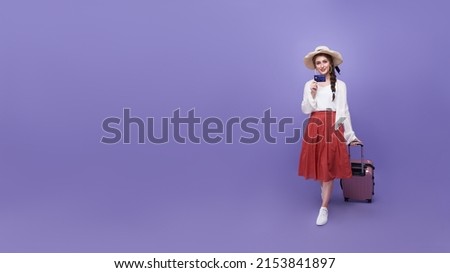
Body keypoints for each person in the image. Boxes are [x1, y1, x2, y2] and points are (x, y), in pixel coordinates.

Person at [298, 46, 362, 226]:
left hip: (333, 126)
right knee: (320, 166)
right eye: (318, 63)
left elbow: (344, 111)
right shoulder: (309, 84)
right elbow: (305, 110)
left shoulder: (340, 86)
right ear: (314, 66)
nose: (321, 65)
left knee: (328, 169)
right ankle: (324, 193)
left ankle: (324, 207)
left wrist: (350, 136)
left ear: (331, 63)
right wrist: (312, 94)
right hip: (314, 126)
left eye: (324, 61)